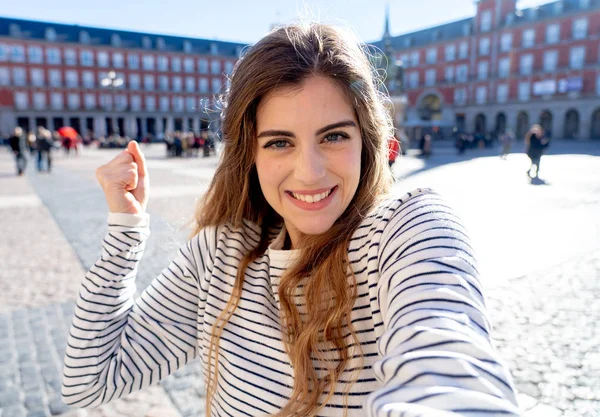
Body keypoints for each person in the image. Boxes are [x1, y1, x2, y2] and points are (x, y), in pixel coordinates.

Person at [62, 23, 521, 416]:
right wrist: (125, 231)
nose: (310, 172)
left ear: (368, 143)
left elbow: (452, 376)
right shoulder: (222, 254)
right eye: (280, 142)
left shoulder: (405, 231)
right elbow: (90, 379)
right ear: (251, 154)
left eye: (334, 136)